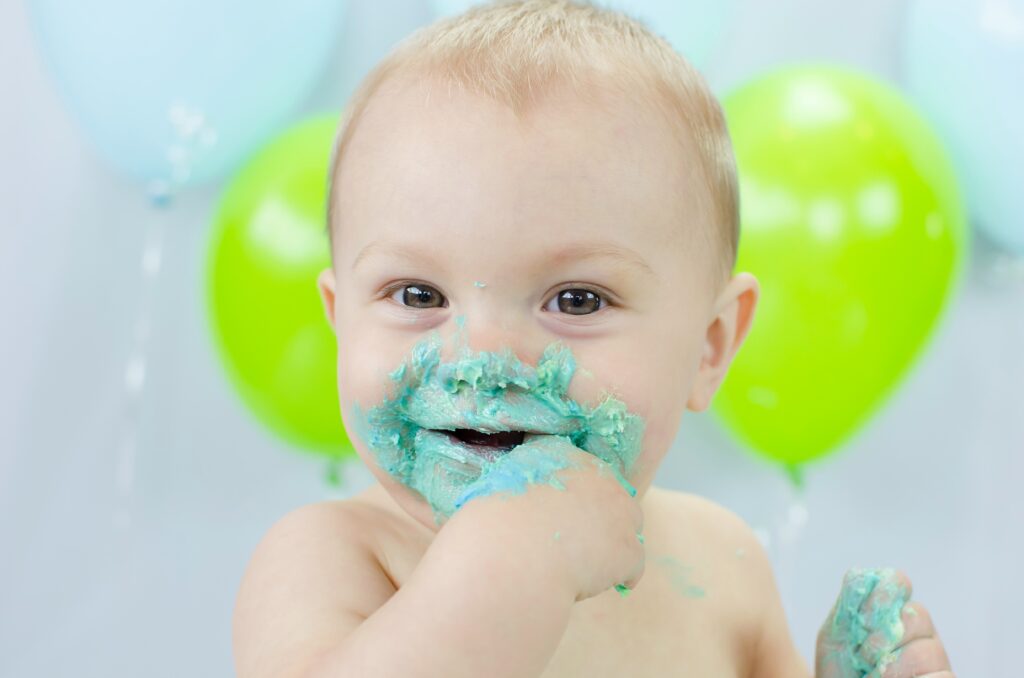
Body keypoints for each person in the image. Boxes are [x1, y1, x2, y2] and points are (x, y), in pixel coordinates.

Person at [232, 1, 954, 676]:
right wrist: (517, 557)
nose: (480, 357)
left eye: (576, 300)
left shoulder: (723, 563)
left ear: (710, 347)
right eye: (419, 295)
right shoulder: (332, 561)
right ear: (341, 318)